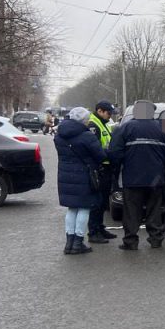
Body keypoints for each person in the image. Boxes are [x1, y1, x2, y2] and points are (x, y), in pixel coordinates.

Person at [108, 100, 165, 250]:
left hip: (132, 178)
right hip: (156, 178)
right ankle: (156, 239)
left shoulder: (125, 128)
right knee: (154, 210)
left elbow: (114, 153)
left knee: (131, 211)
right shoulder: (163, 129)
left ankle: (130, 241)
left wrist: (116, 170)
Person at [54, 107, 106, 255]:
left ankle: (69, 243)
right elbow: (100, 156)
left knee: (72, 208)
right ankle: (78, 243)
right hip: (84, 176)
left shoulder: (59, 135)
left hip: (65, 175)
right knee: (84, 208)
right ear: (84, 120)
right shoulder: (87, 136)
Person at [86, 100, 117, 244]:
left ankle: (100, 227)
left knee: (103, 201)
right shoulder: (93, 125)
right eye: (108, 113)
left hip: (106, 167)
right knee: (96, 202)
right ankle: (93, 232)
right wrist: (110, 154)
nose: (110, 116)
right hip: (100, 168)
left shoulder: (103, 124)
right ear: (100, 111)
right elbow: (95, 150)